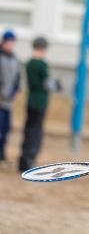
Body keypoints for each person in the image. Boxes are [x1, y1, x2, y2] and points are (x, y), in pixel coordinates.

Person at [18, 37, 61, 172]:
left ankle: (23, 160)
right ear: (42, 48)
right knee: (36, 131)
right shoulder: (41, 64)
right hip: (40, 102)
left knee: (29, 129)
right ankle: (29, 159)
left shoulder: (29, 63)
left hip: (31, 100)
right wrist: (57, 85)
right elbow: (46, 84)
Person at [0, 30, 21, 166]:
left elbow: (18, 79)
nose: (10, 45)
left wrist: (16, 90)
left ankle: (2, 155)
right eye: (8, 42)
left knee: (6, 129)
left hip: (8, 103)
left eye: (12, 42)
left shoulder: (15, 59)